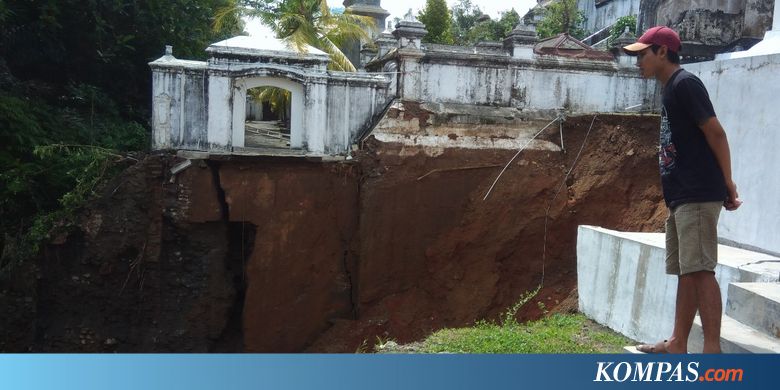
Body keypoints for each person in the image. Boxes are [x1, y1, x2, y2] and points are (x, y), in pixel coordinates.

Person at [623, 26, 742, 353]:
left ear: (662, 51)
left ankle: (712, 352)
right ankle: (677, 342)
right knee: (687, 272)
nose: (638, 62)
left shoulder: (685, 84)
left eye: (642, 55)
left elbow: (716, 133)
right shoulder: (671, 89)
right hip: (682, 195)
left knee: (701, 270)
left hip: (698, 194)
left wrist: (728, 183)